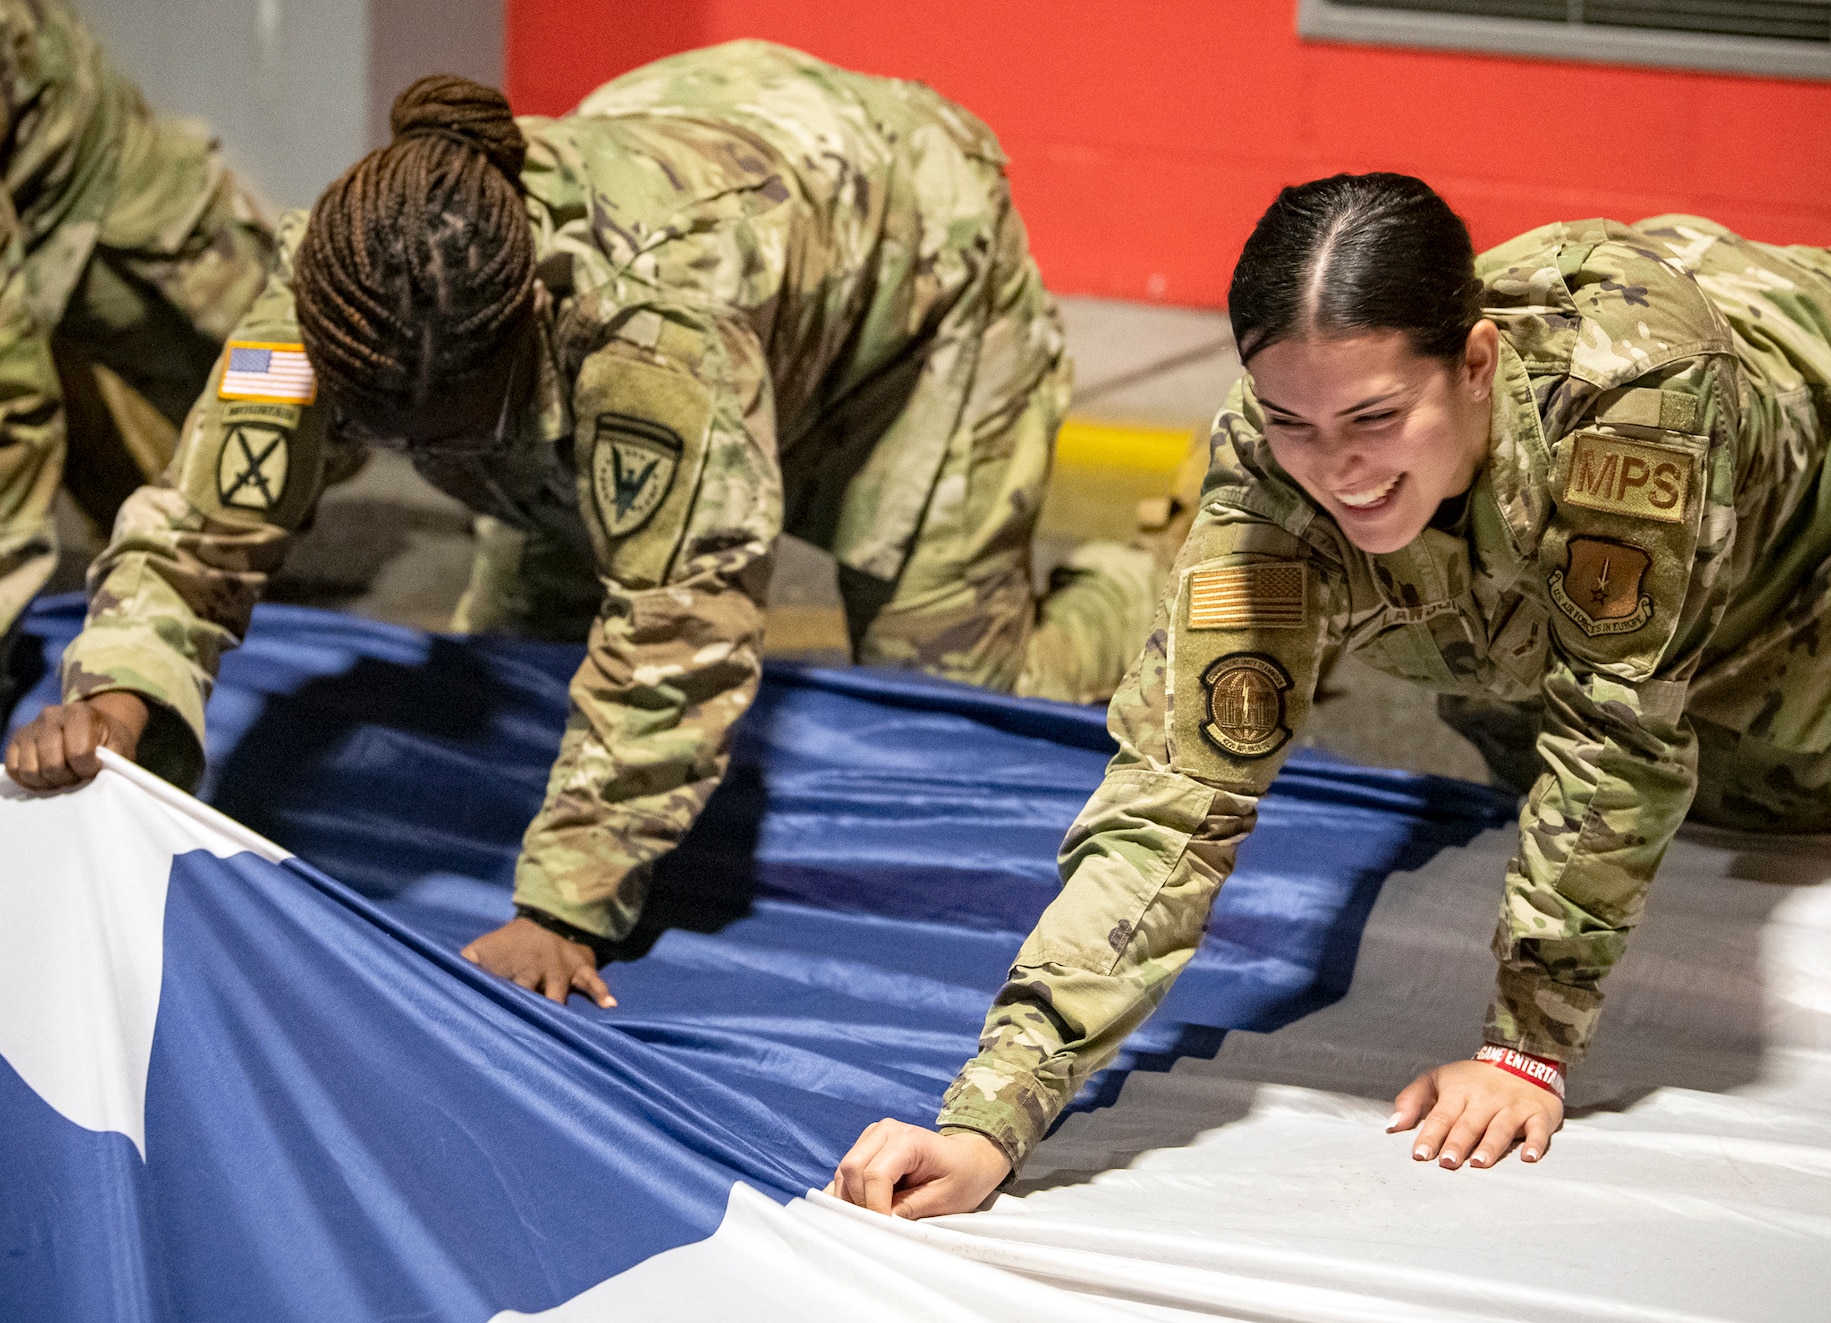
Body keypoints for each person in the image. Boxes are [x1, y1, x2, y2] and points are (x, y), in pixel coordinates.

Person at [827, 172, 1831, 1218]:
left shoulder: (1637, 411)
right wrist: (991, 1114)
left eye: (1374, 418)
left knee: (1809, 803)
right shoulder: (1268, 469)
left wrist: (1524, 1049)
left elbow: (1614, 735)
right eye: (1293, 422)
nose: (1333, 466)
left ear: (1473, 364)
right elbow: (1175, 792)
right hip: (1529, 530)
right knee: (1512, 703)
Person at [3, 42, 1167, 1005]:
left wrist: (562, 907)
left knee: (953, 712)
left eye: (447, 428)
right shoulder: (332, 287)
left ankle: (1136, 581)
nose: (414, 457)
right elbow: (206, 517)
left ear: (526, 331)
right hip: (698, 169)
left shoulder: (650, 336)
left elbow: (679, 632)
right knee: (519, 663)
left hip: (908, 276)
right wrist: (127, 688)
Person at [0, 0, 273, 711]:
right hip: (38, 237)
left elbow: (12, 413)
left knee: (295, 405)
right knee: (152, 517)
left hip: (132, 229)